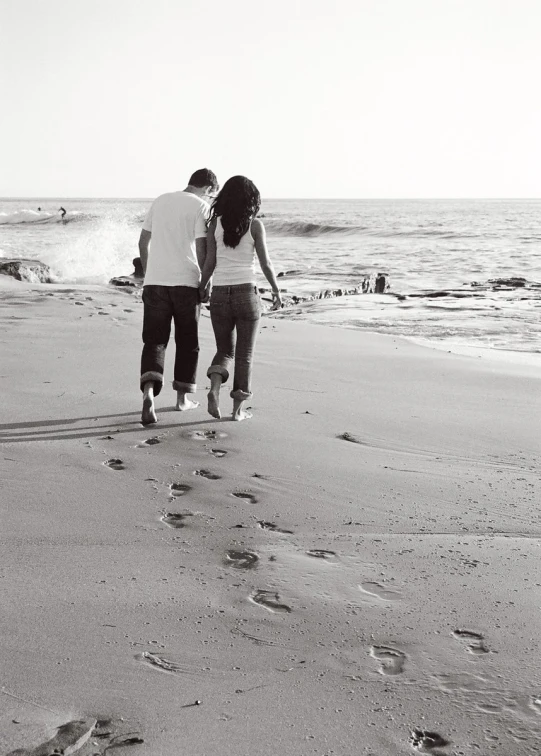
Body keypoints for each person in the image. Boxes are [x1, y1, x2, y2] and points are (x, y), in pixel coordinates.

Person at [138, 168, 219, 425]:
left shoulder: (161, 200)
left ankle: (149, 393)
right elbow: (202, 249)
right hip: (185, 283)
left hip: (155, 283)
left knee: (154, 341)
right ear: (208, 189)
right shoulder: (200, 207)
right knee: (187, 342)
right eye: (211, 195)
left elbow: (143, 242)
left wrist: (150, 272)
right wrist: (206, 281)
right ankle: (182, 400)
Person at [199, 176, 282, 421]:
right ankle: (237, 411)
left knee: (224, 350)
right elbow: (265, 264)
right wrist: (276, 290)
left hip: (220, 294)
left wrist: (201, 287)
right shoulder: (254, 225)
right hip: (247, 293)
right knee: (244, 354)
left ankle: (214, 390)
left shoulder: (215, 225)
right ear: (251, 199)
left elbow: (209, 263)